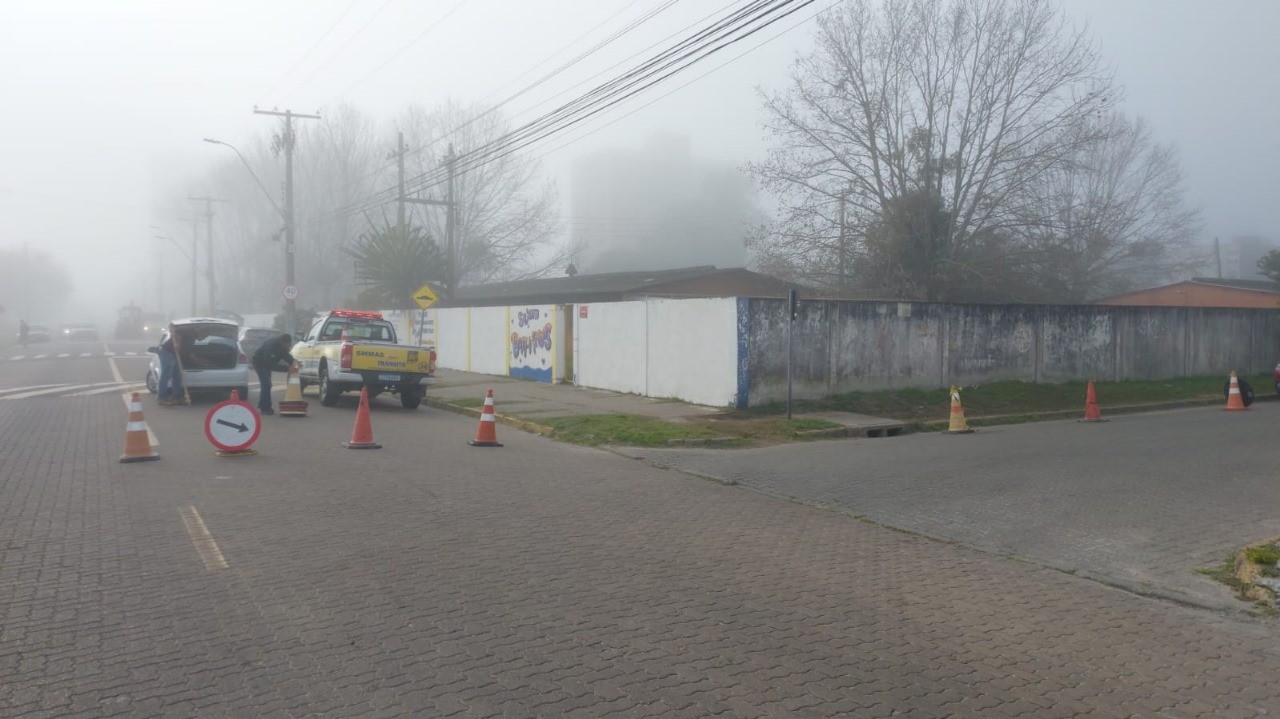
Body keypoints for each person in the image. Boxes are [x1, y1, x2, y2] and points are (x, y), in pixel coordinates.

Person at [157, 324, 210, 406]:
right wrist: (178, 343)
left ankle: (176, 398)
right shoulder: (190, 331)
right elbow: (176, 332)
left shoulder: (193, 339)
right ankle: (162, 398)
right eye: (205, 336)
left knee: (177, 375)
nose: (204, 338)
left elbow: (189, 353)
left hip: (175, 355)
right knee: (166, 374)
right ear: (201, 332)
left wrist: (200, 362)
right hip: (167, 352)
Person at [251, 333, 295, 415]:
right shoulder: (271, 347)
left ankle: (263, 405)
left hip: (267, 363)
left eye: (290, 345)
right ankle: (265, 408)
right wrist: (287, 368)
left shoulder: (282, 345)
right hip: (260, 363)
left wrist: (294, 362)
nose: (288, 347)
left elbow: (285, 355)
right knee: (266, 384)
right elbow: (271, 365)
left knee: (267, 384)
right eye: (287, 345)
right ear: (282, 342)